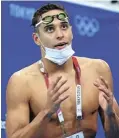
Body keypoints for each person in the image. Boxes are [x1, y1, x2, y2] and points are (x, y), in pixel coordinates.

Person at [6, 3, 119, 138]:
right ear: (37, 39)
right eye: (50, 29)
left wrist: (110, 115)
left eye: (64, 27)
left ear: (71, 32)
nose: (60, 35)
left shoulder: (98, 70)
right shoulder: (21, 82)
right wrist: (46, 112)